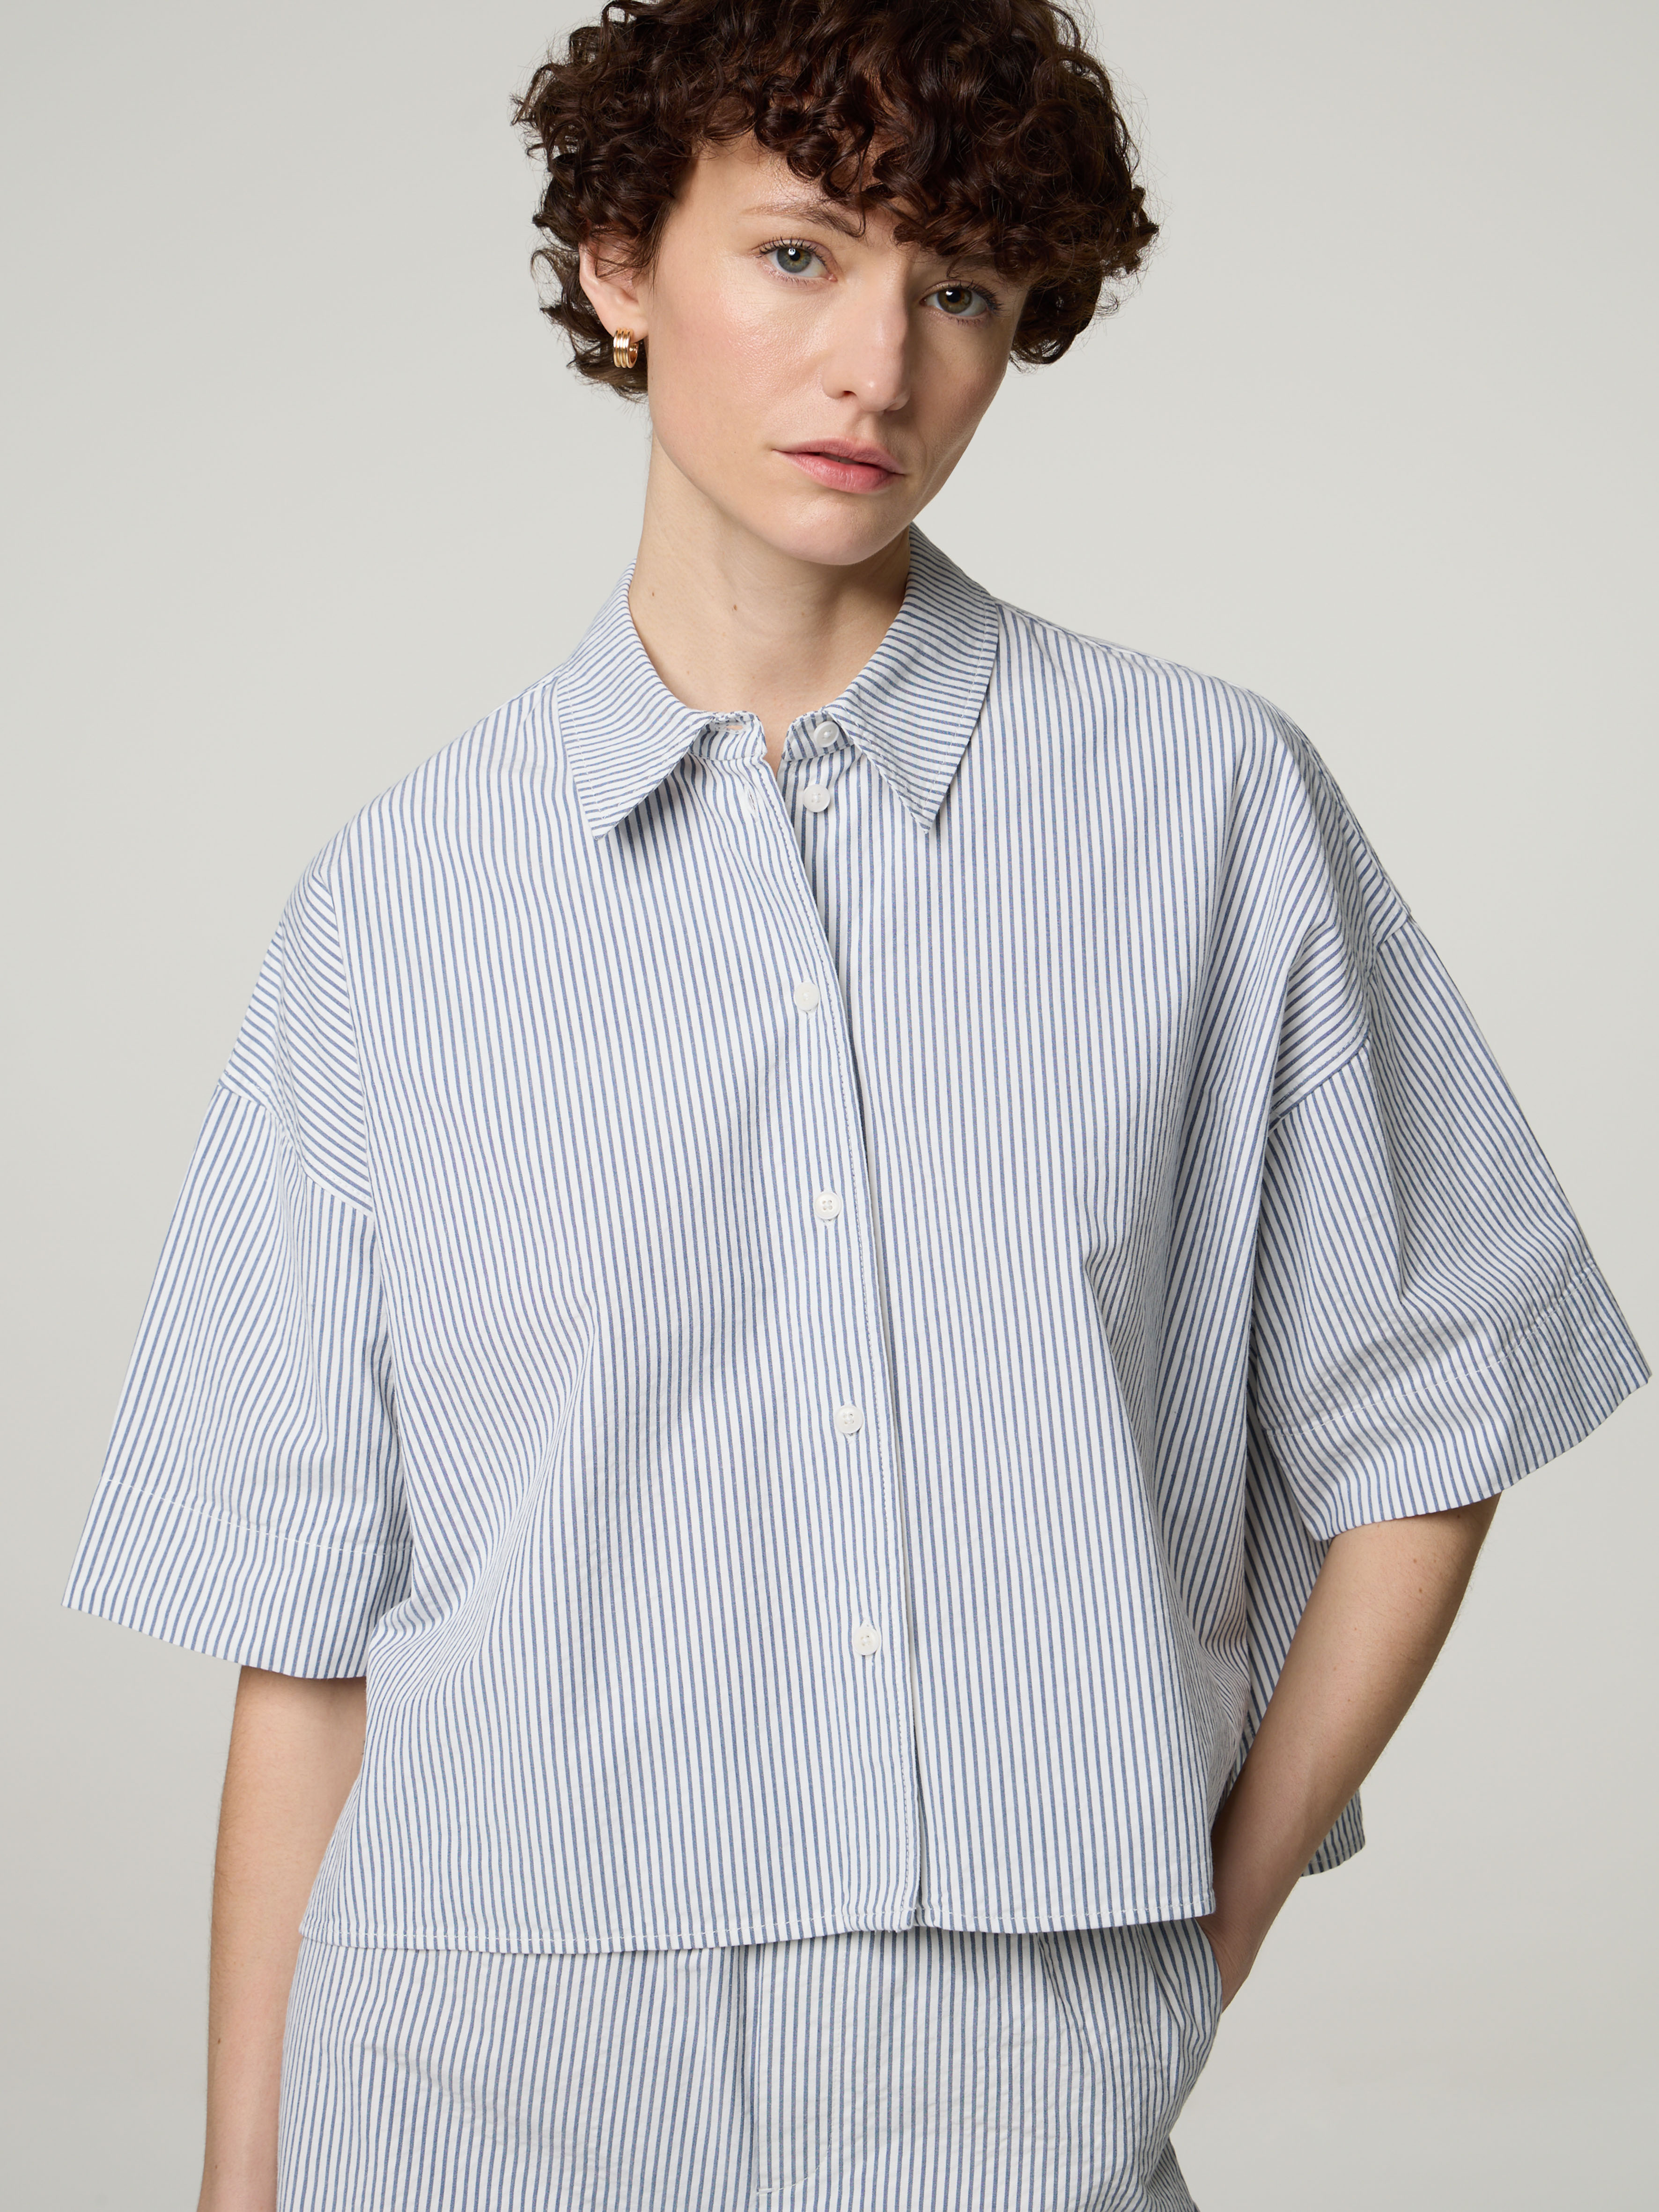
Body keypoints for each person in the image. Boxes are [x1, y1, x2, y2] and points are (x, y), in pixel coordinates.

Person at [63, 3, 1648, 2208]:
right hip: (458, 2062)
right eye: (800, 253)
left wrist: (1199, 1936)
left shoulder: (1202, 809)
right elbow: (310, 1631)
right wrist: (239, 2186)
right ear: (623, 262)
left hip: (1005, 2074)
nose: (879, 367)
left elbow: (1435, 1404)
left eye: (962, 288)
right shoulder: (396, 904)